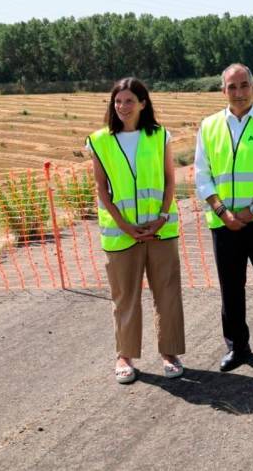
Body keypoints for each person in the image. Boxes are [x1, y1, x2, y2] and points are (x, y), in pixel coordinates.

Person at [87, 77, 185, 384]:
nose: (122, 107)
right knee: (125, 297)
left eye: (129, 101)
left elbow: (170, 180)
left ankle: (169, 353)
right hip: (121, 234)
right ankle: (124, 356)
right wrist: (125, 225)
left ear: (143, 103)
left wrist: (162, 215)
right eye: (118, 101)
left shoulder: (159, 136)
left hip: (160, 230)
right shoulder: (99, 140)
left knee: (167, 294)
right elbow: (101, 190)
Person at [195, 63, 253, 372]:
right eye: (232, 87)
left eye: (243, 85)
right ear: (223, 90)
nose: (238, 92)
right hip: (224, 224)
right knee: (230, 287)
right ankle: (237, 347)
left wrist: (250, 211)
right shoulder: (208, 127)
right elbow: (201, 175)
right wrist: (223, 212)